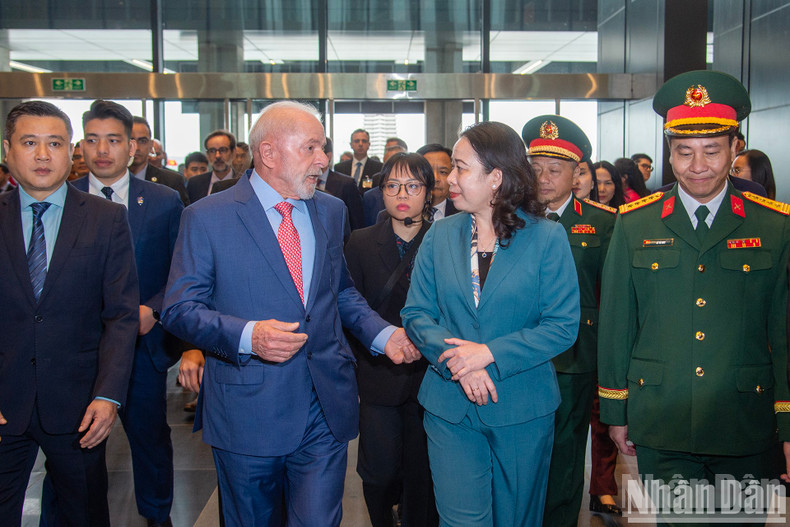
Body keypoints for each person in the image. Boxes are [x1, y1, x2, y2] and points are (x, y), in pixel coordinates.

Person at [161, 100, 420, 527]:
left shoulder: (330, 210)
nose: (323, 160)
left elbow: (339, 293)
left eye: (324, 148)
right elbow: (179, 309)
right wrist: (249, 336)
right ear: (269, 153)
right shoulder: (206, 218)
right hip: (248, 410)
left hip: (325, 404)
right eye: (312, 148)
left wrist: (383, 335)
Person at [598, 70, 790, 524]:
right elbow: (617, 323)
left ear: (734, 149)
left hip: (746, 421)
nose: (697, 165)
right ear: (670, 153)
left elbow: (783, 332)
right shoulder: (635, 223)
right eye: (684, 152)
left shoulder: (774, 225)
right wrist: (615, 408)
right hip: (662, 419)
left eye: (711, 151)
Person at [401, 121, 580, 526]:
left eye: (461, 168)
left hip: (522, 406)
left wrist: (489, 355)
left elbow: (562, 325)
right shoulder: (440, 235)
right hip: (450, 408)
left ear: (496, 177)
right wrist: (458, 362)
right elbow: (416, 314)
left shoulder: (548, 239)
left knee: (516, 520)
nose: (449, 179)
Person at [0, 100, 139, 526]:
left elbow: (121, 315)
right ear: (7, 151)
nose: (43, 155)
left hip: (80, 405)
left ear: (71, 150)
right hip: (4, 402)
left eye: (55, 144)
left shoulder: (107, 219)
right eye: (29, 143)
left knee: (84, 513)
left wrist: (107, 395)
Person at [68, 100, 186, 527]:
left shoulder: (163, 201)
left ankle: (157, 515)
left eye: (114, 140)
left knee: (150, 437)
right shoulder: (62, 199)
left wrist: (154, 308)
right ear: (80, 145)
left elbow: (182, 268)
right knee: (77, 443)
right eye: (93, 139)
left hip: (140, 344)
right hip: (76, 349)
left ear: (133, 147)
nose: (103, 150)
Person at [522, 115, 616, 527]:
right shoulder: (510, 219)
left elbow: (610, 297)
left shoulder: (603, 223)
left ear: (577, 173)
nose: (543, 178)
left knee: (564, 450)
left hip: (575, 357)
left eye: (554, 169)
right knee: (521, 450)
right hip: (518, 354)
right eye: (535, 168)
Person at [345, 152, 439, 527]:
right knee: (379, 472)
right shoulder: (359, 242)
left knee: (423, 475)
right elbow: (349, 308)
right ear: (380, 192)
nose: (403, 194)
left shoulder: (443, 240)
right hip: (377, 375)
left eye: (413, 185)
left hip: (430, 377)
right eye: (392, 185)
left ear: (429, 192)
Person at [130, 116, 189, 205]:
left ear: (150, 145)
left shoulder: (171, 182)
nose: (136, 148)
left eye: (142, 141)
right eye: (131, 141)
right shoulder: (109, 179)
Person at [186, 130, 238, 203]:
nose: (217, 156)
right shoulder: (195, 184)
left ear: (233, 153)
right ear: (207, 155)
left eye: (222, 150)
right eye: (212, 151)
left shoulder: (243, 181)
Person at [334, 128, 383, 193]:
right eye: (357, 141)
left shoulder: (378, 167)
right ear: (351, 144)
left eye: (364, 141)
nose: (360, 144)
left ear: (369, 145)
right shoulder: (340, 168)